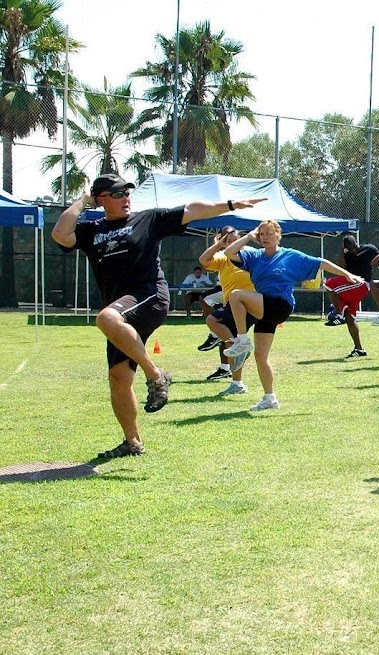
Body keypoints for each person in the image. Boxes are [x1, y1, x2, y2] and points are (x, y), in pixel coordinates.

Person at [51, 173, 266, 457]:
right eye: (117, 194)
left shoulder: (147, 219)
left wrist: (230, 204)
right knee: (118, 377)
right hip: (121, 312)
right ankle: (132, 442)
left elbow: (192, 210)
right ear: (101, 199)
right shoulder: (92, 230)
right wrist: (82, 201)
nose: (126, 198)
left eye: (127, 192)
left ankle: (156, 375)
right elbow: (60, 234)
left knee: (106, 319)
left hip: (149, 296)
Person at [222, 220, 363, 411]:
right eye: (262, 234)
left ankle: (242, 340)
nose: (265, 237)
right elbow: (229, 253)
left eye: (269, 233)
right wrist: (248, 236)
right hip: (264, 307)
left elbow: (321, 263)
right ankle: (270, 398)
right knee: (260, 356)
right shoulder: (254, 256)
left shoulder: (290, 255)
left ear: (278, 235)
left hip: (280, 305)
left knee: (236, 295)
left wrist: (346, 274)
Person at [198, 226, 257, 395]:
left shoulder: (251, 254)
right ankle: (237, 383)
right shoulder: (223, 257)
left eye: (234, 241)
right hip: (232, 304)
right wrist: (218, 245)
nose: (231, 244)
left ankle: (240, 346)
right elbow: (203, 260)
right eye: (228, 241)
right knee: (231, 344)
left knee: (212, 320)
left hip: (248, 303)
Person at [326, 234, 378, 358]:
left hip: (361, 284)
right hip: (352, 287)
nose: (353, 251)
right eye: (350, 249)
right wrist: (341, 250)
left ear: (357, 243)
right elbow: (342, 269)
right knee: (350, 317)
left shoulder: (368, 249)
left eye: (354, 247)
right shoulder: (346, 255)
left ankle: (338, 314)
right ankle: (359, 349)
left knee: (328, 284)